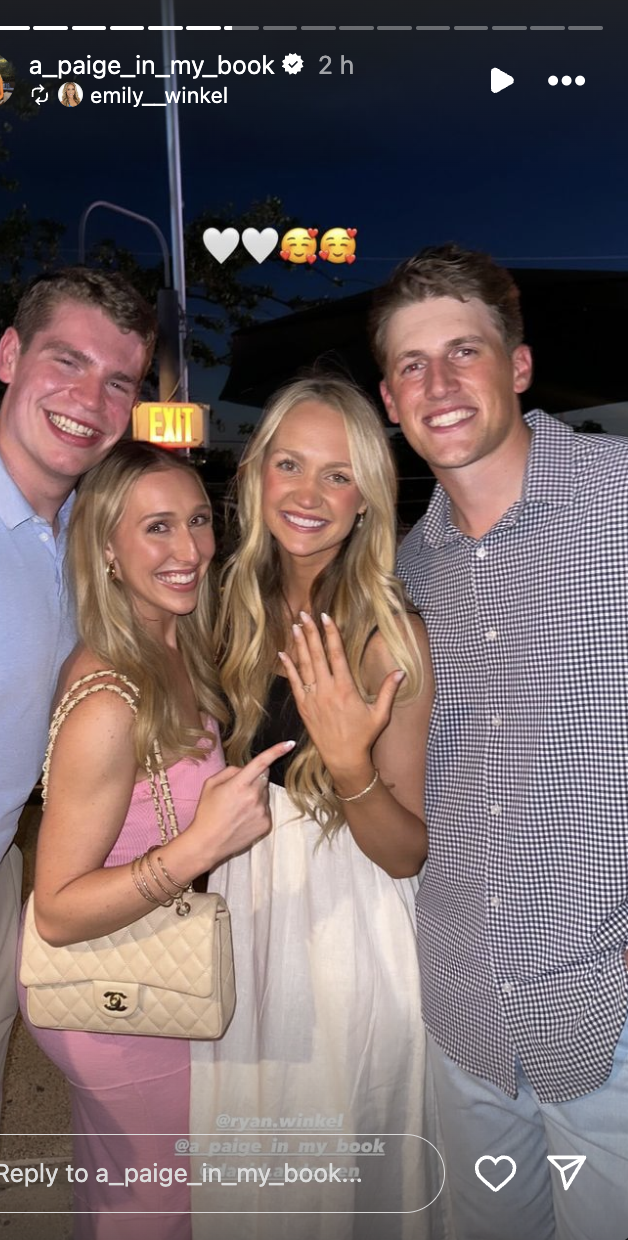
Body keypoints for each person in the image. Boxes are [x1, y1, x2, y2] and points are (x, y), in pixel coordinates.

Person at [372, 242, 628, 1240]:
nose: (437, 383)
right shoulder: (407, 575)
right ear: (389, 401)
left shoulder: (617, 502)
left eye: (462, 351)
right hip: (465, 1019)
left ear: (516, 366)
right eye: (410, 364)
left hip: (603, 1016)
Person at [0, 267, 157, 1240]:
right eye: (68, 361)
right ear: (11, 358)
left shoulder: (72, 536)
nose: (91, 398)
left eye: (119, 380)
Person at [191, 376, 448, 1239]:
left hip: (346, 936)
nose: (309, 494)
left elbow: (408, 851)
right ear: (254, 474)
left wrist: (346, 764)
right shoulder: (221, 599)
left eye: (339, 475)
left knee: (338, 1173)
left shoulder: (389, 632)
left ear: (369, 499)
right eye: (290, 464)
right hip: (239, 911)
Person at [18, 440, 293, 1239]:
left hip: (133, 967)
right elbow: (59, 910)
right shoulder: (112, 697)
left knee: (124, 1190)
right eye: (158, 529)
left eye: (199, 521)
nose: (190, 550)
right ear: (106, 547)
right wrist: (198, 849)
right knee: (163, 1203)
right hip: (113, 988)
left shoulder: (171, 644)